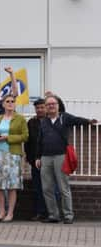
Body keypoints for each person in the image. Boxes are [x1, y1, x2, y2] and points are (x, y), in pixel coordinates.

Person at [36, 95, 97, 224]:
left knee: (63, 187)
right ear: (46, 107)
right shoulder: (43, 122)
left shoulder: (65, 117)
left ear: (58, 105)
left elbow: (77, 120)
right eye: (48, 104)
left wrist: (89, 121)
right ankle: (53, 215)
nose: (51, 106)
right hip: (45, 157)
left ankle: (68, 215)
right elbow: (39, 141)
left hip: (61, 156)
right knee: (47, 188)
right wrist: (38, 157)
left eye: (53, 104)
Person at [0, 94, 28, 222]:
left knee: (11, 185)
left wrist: (8, 138)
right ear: (3, 104)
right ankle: (1, 212)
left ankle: (10, 213)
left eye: (12, 101)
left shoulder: (20, 119)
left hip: (12, 154)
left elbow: (25, 136)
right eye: (8, 101)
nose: (10, 103)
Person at [24, 98, 48, 221]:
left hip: (49, 160)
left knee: (49, 188)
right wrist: (29, 158)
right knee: (38, 188)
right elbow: (27, 142)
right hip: (35, 162)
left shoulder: (51, 121)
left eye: (42, 107)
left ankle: (52, 212)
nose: (39, 110)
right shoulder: (31, 123)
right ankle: (40, 212)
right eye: (37, 108)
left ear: (46, 108)